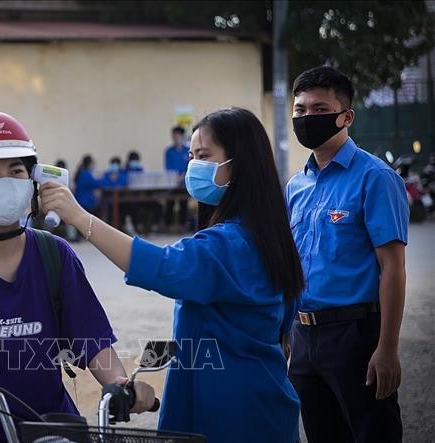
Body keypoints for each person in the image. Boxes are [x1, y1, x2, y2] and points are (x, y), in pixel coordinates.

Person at [40, 107, 304, 443]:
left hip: (228, 414)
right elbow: (286, 333)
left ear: (240, 163)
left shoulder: (227, 245)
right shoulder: (269, 236)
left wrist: (80, 217)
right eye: (191, 156)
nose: (193, 165)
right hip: (267, 400)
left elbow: (160, 266)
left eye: (204, 156)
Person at [0, 111, 154, 442]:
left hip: (51, 423)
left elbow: (93, 342)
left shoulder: (55, 255)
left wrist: (121, 385)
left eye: (16, 170)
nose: (6, 181)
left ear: (31, 179)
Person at [286, 66, 408, 443]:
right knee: (322, 435)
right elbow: (292, 265)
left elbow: (393, 267)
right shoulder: (295, 186)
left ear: (346, 116)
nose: (308, 118)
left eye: (319, 109)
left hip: (355, 336)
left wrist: (386, 348)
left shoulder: (375, 178)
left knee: (373, 433)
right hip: (303, 337)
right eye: (300, 110)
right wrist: (285, 331)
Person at [164, 126, 190, 231]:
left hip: (184, 183)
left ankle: (183, 225)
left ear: (182, 136)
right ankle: (168, 225)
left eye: (178, 136)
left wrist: (183, 176)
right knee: (170, 202)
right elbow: (167, 167)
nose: (176, 138)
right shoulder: (168, 151)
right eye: (174, 136)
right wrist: (175, 177)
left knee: (184, 203)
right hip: (172, 182)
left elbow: (190, 165)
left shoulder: (187, 150)